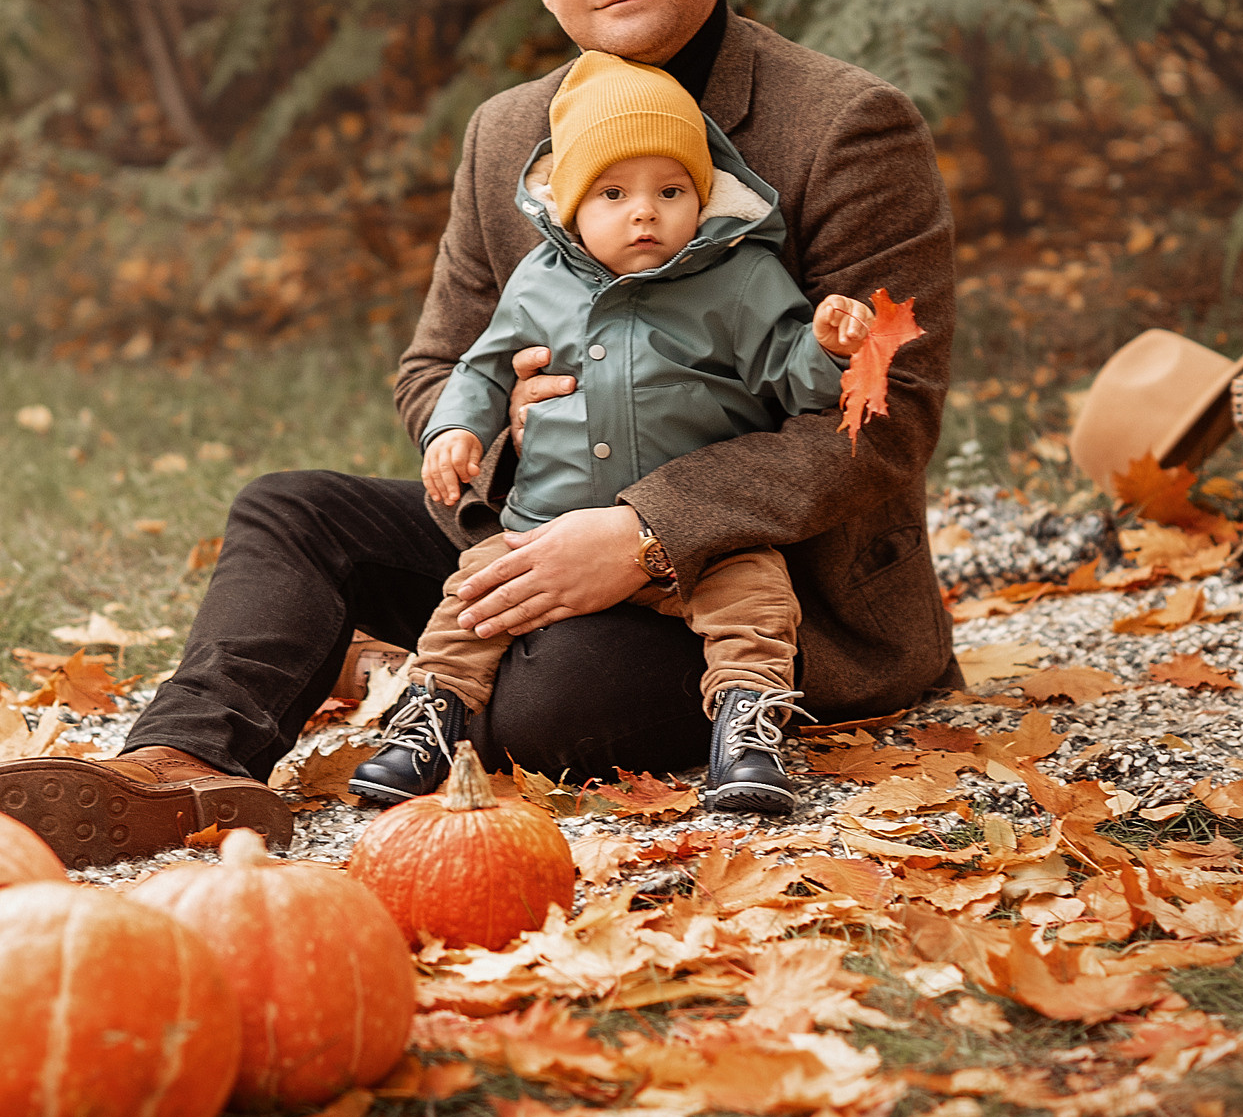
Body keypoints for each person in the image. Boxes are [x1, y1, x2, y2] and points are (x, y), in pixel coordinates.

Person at [0, 0, 959, 869]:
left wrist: (642, 531)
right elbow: (435, 366)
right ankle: (178, 763)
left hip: (760, 584)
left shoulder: (845, 124)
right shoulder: (506, 135)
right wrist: (487, 422)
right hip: (539, 514)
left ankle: (495, 697)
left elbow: (882, 420)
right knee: (292, 511)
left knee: (554, 699)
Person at [348, 50, 877, 813]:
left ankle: (749, 728)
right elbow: (480, 366)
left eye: (670, 190)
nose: (644, 212)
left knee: (756, 601)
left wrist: (826, 347)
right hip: (547, 527)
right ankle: (429, 717)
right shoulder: (539, 281)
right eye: (613, 192)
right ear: (568, 204)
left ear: (701, 194)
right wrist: (457, 428)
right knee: (470, 603)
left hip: (695, 542)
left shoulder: (739, 279)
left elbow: (793, 379)